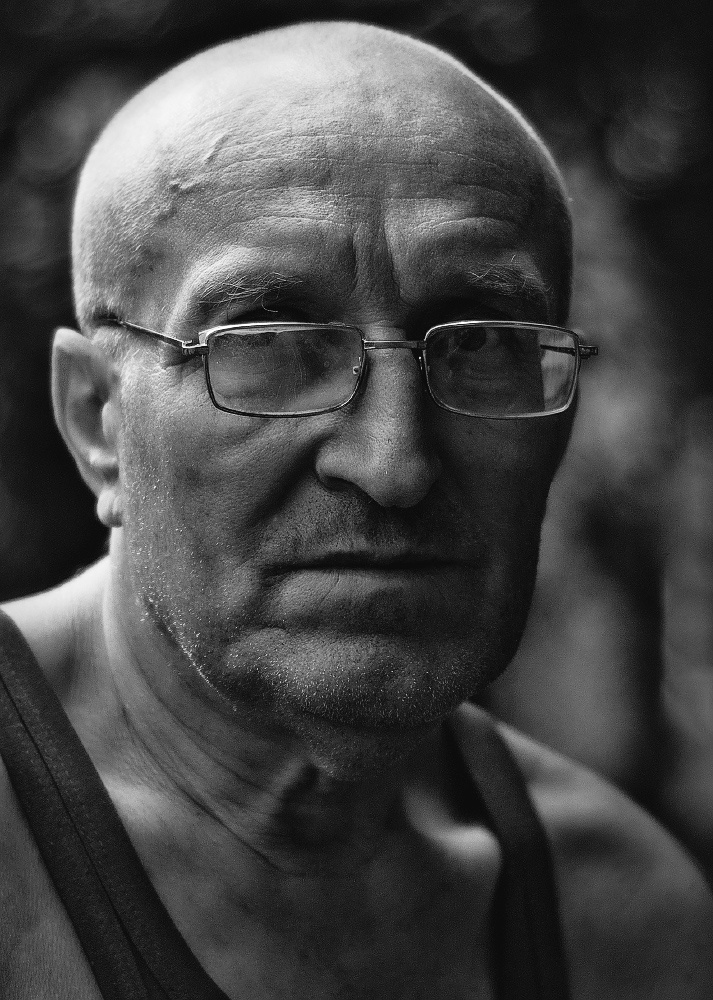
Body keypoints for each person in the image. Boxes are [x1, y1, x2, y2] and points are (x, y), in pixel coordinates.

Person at [0, 20, 711, 1000]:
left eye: (479, 343)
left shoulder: (621, 921)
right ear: (97, 418)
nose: (394, 463)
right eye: (267, 343)